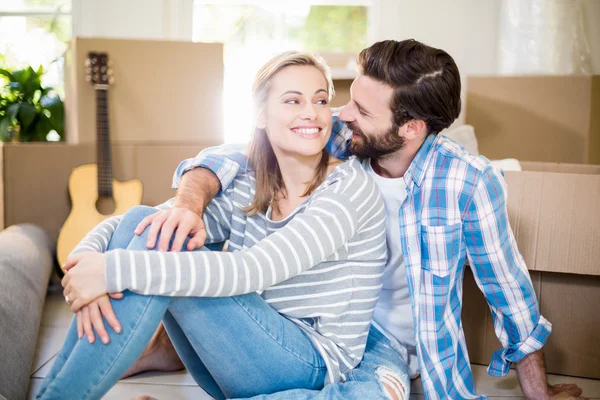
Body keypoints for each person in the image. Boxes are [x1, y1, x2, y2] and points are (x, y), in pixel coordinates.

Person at [121, 39, 587, 400]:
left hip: (384, 342)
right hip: (307, 327)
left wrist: (537, 389)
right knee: (180, 252)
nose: (341, 114)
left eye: (361, 110)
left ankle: (178, 350)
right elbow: (243, 151)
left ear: (411, 128)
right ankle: (173, 342)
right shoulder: (344, 140)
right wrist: (189, 198)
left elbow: (507, 286)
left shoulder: (468, 183)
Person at [37, 51, 399, 399]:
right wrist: (84, 261)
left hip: (310, 366)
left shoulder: (348, 189)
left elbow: (253, 270)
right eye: (293, 101)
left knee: (153, 257)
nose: (313, 114)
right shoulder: (253, 183)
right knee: (148, 223)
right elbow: (139, 221)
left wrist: (111, 270)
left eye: (321, 101)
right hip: (240, 357)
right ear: (260, 115)